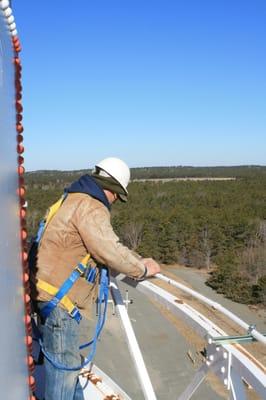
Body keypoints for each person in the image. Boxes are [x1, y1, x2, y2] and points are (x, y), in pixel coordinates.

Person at [31, 157, 160, 400]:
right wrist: (142, 269)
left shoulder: (70, 199)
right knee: (63, 373)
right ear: (111, 189)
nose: (114, 202)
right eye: (116, 196)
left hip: (45, 293)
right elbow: (108, 249)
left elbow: (105, 245)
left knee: (65, 367)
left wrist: (133, 258)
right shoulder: (91, 206)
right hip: (60, 303)